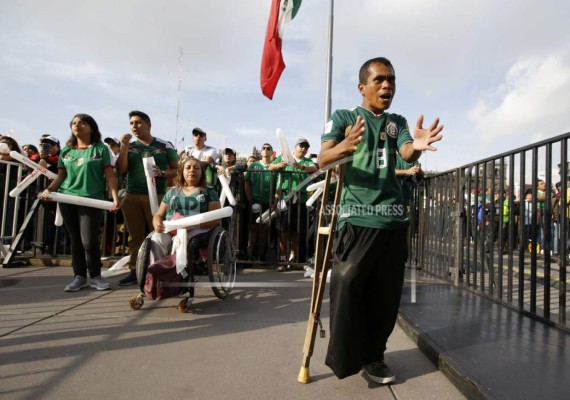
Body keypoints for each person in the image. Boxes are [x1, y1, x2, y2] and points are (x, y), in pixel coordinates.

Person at [318, 57, 443, 384]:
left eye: (392, 80)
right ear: (363, 87)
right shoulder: (344, 117)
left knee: (386, 297)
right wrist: (344, 145)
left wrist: (416, 146)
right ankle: (346, 359)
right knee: (348, 285)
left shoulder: (397, 121)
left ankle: (374, 357)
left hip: (393, 221)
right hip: (356, 219)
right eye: (380, 80)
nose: (387, 85)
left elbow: (405, 152)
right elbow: (322, 158)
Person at [39, 114, 120, 291]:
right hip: (67, 198)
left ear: (91, 127)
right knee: (75, 239)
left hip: (92, 199)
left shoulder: (101, 149)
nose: (77, 125)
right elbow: (61, 176)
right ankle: (79, 276)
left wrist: (114, 198)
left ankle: (96, 276)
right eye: (74, 123)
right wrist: (49, 190)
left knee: (89, 240)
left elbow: (109, 176)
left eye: (82, 123)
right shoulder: (66, 151)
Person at [115, 110, 179, 285]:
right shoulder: (129, 146)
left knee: (159, 234)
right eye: (131, 123)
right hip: (132, 195)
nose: (134, 127)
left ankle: (160, 270)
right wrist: (123, 147)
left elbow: (177, 169)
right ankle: (135, 271)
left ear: (148, 125)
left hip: (157, 196)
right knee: (134, 236)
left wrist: (163, 173)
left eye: (138, 123)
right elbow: (121, 170)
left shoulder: (164, 145)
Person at [150, 157, 221, 262]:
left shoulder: (209, 192)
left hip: (197, 229)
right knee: (156, 239)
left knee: (181, 242)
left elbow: (215, 218)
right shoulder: (172, 192)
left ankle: (178, 273)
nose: (192, 170)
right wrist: (156, 223)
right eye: (188, 168)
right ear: (182, 172)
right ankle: (157, 272)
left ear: (202, 172)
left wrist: (192, 225)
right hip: (171, 228)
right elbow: (159, 215)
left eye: (196, 168)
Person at [270, 138, 317, 269]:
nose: (303, 148)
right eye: (301, 146)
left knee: (297, 231)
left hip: (301, 200)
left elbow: (316, 168)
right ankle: (282, 260)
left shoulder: (308, 161)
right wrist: (280, 165)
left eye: (306, 147)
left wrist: (302, 167)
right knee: (283, 231)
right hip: (285, 198)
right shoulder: (284, 157)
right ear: (295, 146)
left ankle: (294, 258)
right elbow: (270, 167)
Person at [245, 143, 276, 260]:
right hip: (256, 200)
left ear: (271, 152)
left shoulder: (275, 166)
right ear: (261, 152)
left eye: (268, 148)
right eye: (264, 148)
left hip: (269, 201)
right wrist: (249, 199)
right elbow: (247, 182)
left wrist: (275, 201)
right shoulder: (253, 165)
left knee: (265, 229)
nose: (266, 150)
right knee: (253, 228)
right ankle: (250, 254)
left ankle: (261, 255)